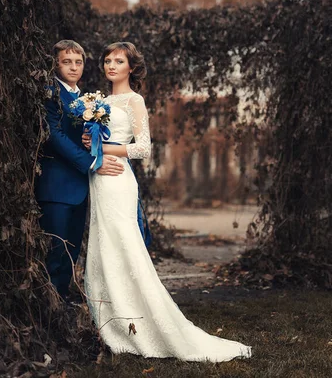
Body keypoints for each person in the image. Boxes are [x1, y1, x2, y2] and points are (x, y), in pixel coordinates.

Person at [81, 42, 251, 361]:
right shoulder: (98, 101)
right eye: (107, 60)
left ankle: (143, 322)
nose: (111, 65)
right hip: (98, 179)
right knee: (102, 246)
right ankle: (109, 321)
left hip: (118, 180)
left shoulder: (135, 100)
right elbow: (93, 140)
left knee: (125, 244)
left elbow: (142, 148)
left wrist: (106, 149)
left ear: (131, 67)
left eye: (119, 61)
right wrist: (89, 140)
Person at [35, 40, 124, 302]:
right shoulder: (51, 93)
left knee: (71, 251)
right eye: (66, 62)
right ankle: (49, 307)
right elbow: (54, 135)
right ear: (56, 64)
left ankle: (62, 301)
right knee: (55, 251)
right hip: (57, 187)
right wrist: (92, 163)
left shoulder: (85, 98)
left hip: (82, 188)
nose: (73, 67)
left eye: (78, 62)